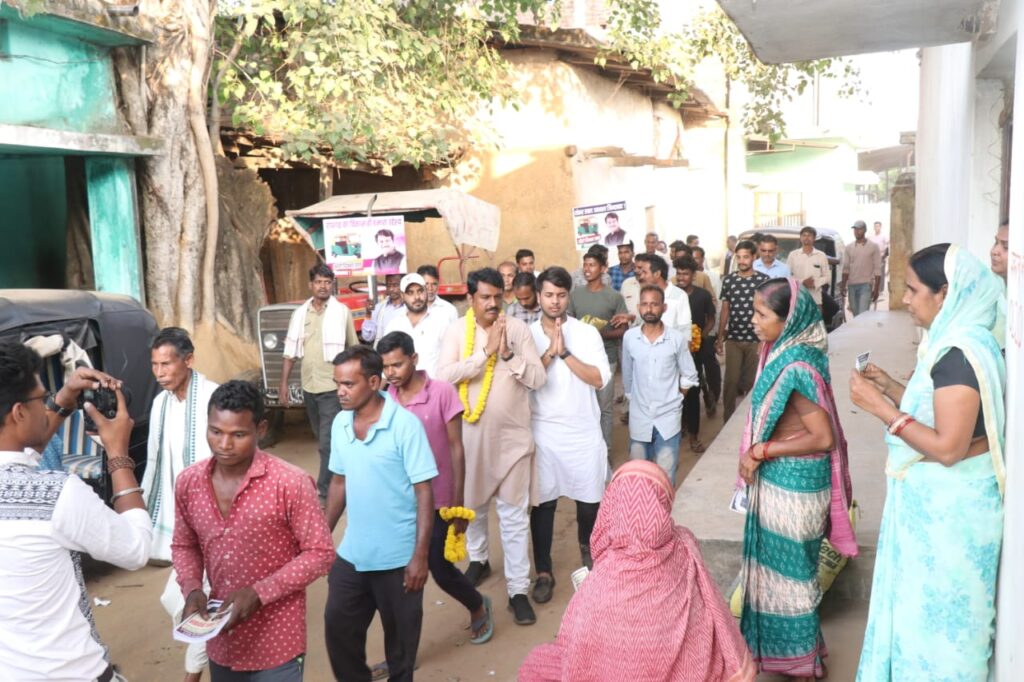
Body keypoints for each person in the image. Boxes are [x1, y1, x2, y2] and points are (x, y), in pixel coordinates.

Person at [849, 244, 1005, 680]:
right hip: (941, 518)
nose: (904, 299)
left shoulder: (958, 357)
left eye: (913, 290)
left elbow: (949, 447)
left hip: (949, 525)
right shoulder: (964, 341)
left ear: (945, 294)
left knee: (940, 640)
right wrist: (890, 387)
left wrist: (881, 409)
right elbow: (944, 416)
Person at [518, 461, 756, 682]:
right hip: (688, 670)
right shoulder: (685, 546)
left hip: (606, 672)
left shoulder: (601, 578)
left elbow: (578, 646)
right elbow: (710, 610)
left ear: (613, 506)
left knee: (536, 665)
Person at [0, 342, 151, 682]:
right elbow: (136, 549)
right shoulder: (54, 494)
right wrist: (118, 454)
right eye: (41, 398)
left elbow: (22, 456)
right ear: (19, 412)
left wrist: (65, 399)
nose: (46, 405)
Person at [736, 278, 857, 680]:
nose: (754, 321)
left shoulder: (797, 366)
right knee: (781, 577)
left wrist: (760, 451)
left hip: (793, 488)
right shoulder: (784, 353)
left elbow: (822, 437)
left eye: (761, 314)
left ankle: (804, 664)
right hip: (783, 482)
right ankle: (796, 656)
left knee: (792, 580)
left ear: (787, 320)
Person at [173, 381, 333, 682]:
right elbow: (184, 545)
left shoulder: (290, 483)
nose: (224, 444)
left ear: (261, 429)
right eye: (215, 431)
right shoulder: (188, 483)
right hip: (221, 641)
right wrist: (192, 588)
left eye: (238, 435)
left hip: (277, 642)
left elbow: (320, 553)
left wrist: (260, 592)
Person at [436, 268, 546, 625]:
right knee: (474, 508)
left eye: (498, 296)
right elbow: (442, 377)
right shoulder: (457, 331)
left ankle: (518, 590)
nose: (493, 303)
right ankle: (479, 559)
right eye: (485, 297)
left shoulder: (517, 330)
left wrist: (508, 355)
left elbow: (538, 378)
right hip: (470, 441)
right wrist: (484, 353)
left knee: (514, 517)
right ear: (471, 298)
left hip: (513, 441)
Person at [323, 346, 438, 682]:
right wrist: (320, 538)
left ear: (374, 382)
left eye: (348, 384)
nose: (340, 391)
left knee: (401, 651)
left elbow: (424, 492)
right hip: (353, 555)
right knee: (338, 632)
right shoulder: (341, 423)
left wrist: (420, 557)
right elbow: (339, 482)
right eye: (337, 384)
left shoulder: (405, 426)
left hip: (399, 561)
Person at [378, 333, 493, 646]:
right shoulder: (385, 400)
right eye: (386, 367)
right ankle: (403, 651)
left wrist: (458, 502)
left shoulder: (441, 392)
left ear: (414, 359)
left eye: (397, 364)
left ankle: (477, 604)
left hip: (440, 499)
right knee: (402, 574)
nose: (391, 373)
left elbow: (456, 447)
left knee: (439, 568)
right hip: (401, 502)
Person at [530, 267, 611, 603]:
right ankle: (543, 572)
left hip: (583, 432)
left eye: (561, 295)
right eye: (549, 295)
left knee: (589, 502)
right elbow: (526, 381)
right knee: (543, 505)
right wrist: (550, 352)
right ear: (538, 296)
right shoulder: (527, 335)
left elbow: (599, 379)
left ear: (569, 296)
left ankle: (591, 563)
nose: (555, 301)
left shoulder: (587, 333)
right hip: (544, 433)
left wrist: (565, 353)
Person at [142, 327, 219, 681]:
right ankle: (218, 640)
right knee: (176, 598)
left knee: (200, 598)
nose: (159, 372)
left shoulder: (214, 398)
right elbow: (156, 461)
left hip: (215, 515)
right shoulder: (161, 403)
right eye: (154, 365)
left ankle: (194, 672)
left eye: (166, 364)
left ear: (188, 360)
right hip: (181, 518)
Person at [281, 264, 359, 501]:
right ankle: (344, 475)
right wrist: (283, 384)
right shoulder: (300, 314)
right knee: (322, 438)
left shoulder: (341, 312)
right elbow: (290, 352)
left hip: (333, 388)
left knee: (326, 442)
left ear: (332, 284)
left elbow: (353, 348)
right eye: (319, 282)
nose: (323, 286)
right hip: (309, 387)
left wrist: (353, 384)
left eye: (327, 282)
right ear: (311, 285)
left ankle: (323, 491)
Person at [622, 285, 699, 484]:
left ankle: (663, 506)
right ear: (638, 307)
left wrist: (678, 397)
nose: (649, 309)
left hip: (668, 419)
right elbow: (627, 376)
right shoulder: (630, 338)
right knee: (638, 478)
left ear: (664, 308)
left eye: (654, 304)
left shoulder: (676, 339)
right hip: (639, 418)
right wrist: (634, 400)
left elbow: (689, 374)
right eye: (645, 304)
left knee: (665, 478)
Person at [568, 250, 628, 455]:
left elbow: (623, 331)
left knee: (604, 408)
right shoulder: (575, 295)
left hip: (606, 359)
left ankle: (606, 451)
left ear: (603, 268)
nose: (587, 269)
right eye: (585, 264)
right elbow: (568, 325)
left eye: (592, 265)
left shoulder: (614, 297)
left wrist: (599, 333)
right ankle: (586, 450)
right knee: (582, 407)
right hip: (579, 361)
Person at [717, 240, 768, 422]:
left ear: (754, 257)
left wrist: (764, 340)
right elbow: (725, 309)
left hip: (755, 340)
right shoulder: (729, 280)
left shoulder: (763, 281)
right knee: (730, 382)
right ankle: (728, 420)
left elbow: (766, 311)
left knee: (751, 383)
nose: (742, 261)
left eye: (746, 257)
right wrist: (719, 337)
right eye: (738, 257)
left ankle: (749, 421)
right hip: (733, 339)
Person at [676, 258, 714, 453]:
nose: (681, 277)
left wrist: (701, 336)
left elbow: (711, 319)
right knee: (676, 391)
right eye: (679, 273)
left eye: (685, 274)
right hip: (674, 351)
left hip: (694, 352)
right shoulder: (671, 295)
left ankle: (694, 436)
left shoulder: (703, 295)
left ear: (693, 275)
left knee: (692, 391)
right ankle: (680, 426)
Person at [384, 273, 451, 377]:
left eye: (420, 291)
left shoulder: (441, 322)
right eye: (410, 293)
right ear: (402, 296)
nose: (417, 297)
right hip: (403, 386)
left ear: (425, 292)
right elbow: (386, 362)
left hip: (434, 385)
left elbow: (451, 361)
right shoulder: (394, 326)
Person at [633, 253, 692, 342]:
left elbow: (685, 330)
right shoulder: (644, 294)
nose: (641, 276)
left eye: (645, 272)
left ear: (657, 274)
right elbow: (640, 323)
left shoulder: (679, 295)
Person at [692, 246, 722, 416]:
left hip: (708, 330)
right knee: (695, 367)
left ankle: (713, 394)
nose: (694, 261)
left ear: (702, 259)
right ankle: (705, 394)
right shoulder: (679, 280)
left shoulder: (711, 277)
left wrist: (715, 331)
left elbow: (716, 304)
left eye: (697, 258)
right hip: (690, 332)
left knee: (709, 363)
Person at [839, 220, 882, 317]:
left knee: (862, 314)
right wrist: (843, 286)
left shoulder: (873, 247)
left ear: (865, 230)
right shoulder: (849, 247)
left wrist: (876, 289)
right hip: (852, 285)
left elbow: (878, 269)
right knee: (856, 315)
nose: (857, 232)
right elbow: (846, 268)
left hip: (866, 285)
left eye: (859, 229)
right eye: (855, 229)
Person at [785, 226, 831, 314]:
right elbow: (787, 275)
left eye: (809, 235)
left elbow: (827, 277)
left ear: (814, 238)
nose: (806, 238)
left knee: (816, 322)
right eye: (804, 235)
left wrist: (814, 283)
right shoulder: (793, 255)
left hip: (815, 298)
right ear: (800, 238)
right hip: (798, 298)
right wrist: (802, 282)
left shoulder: (821, 255)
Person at [361, 273, 406, 345]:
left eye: (395, 285)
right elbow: (367, 337)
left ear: (404, 285)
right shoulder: (379, 308)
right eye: (388, 285)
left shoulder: (410, 308)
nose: (391, 289)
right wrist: (368, 314)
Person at [868, 221, 890, 293]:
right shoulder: (871, 237)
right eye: (875, 226)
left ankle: (880, 289)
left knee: (880, 273)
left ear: (880, 227)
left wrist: (885, 255)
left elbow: (888, 244)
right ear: (874, 227)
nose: (877, 228)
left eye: (878, 226)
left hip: (881, 256)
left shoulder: (884, 236)